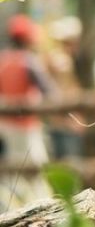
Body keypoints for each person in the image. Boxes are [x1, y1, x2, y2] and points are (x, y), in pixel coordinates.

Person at [0, 13, 57, 206]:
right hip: (27, 126)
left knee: (12, 172)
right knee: (38, 168)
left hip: (5, 126)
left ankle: (12, 207)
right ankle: (44, 208)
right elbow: (49, 90)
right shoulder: (29, 61)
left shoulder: (3, 61)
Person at [44, 16, 85, 159]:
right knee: (69, 161)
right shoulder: (62, 62)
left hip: (59, 121)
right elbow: (64, 93)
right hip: (65, 122)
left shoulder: (56, 58)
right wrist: (72, 118)